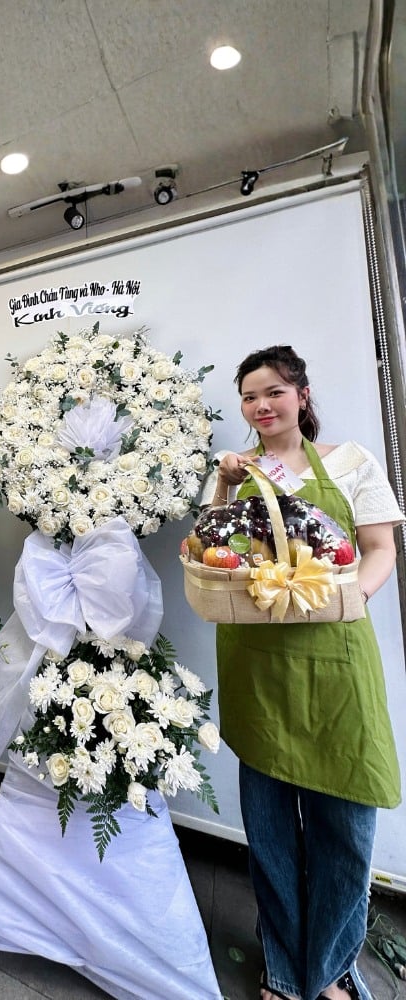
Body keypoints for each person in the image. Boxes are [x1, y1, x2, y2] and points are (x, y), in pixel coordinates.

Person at [206, 345, 403, 1000]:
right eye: (250, 396)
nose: (261, 406)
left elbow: (380, 549)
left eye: (274, 392)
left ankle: (333, 968)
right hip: (259, 667)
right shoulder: (246, 474)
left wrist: (351, 597)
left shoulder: (350, 463)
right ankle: (286, 970)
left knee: (345, 836)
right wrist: (226, 483)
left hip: (335, 662)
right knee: (270, 839)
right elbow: (211, 550)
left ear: (303, 395)